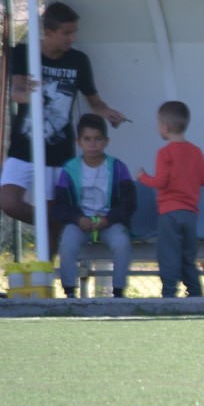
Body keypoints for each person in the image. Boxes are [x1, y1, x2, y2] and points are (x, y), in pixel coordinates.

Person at [1, 1, 127, 256]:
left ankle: (44, 276)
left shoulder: (78, 61)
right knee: (9, 203)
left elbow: (94, 101)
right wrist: (32, 95)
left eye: (74, 32)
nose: (73, 38)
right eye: (67, 33)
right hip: (23, 146)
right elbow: (16, 91)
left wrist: (108, 112)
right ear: (48, 32)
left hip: (59, 153)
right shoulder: (24, 53)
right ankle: (57, 223)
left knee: (53, 210)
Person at [51, 113, 136, 298]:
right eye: (87, 139)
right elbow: (61, 205)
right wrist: (77, 218)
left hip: (109, 222)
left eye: (98, 139)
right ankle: (70, 292)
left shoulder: (117, 167)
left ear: (106, 141)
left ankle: (119, 292)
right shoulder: (69, 169)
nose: (93, 144)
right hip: (80, 223)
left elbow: (129, 203)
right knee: (67, 243)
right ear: (78, 141)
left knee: (122, 243)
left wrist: (109, 219)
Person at [136, 101, 204, 298]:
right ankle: (195, 294)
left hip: (169, 214)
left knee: (169, 255)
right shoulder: (197, 152)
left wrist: (142, 177)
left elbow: (160, 182)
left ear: (165, 127)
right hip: (190, 214)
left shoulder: (164, 153)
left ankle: (169, 295)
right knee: (188, 257)